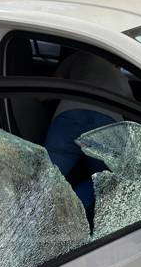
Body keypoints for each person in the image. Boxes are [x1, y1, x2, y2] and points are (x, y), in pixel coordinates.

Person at [44, 51, 133, 222]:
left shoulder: (78, 57)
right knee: (103, 180)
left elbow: (53, 86)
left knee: (48, 172)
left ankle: (38, 211)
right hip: (107, 123)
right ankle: (71, 210)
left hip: (70, 114)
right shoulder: (119, 76)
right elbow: (130, 107)